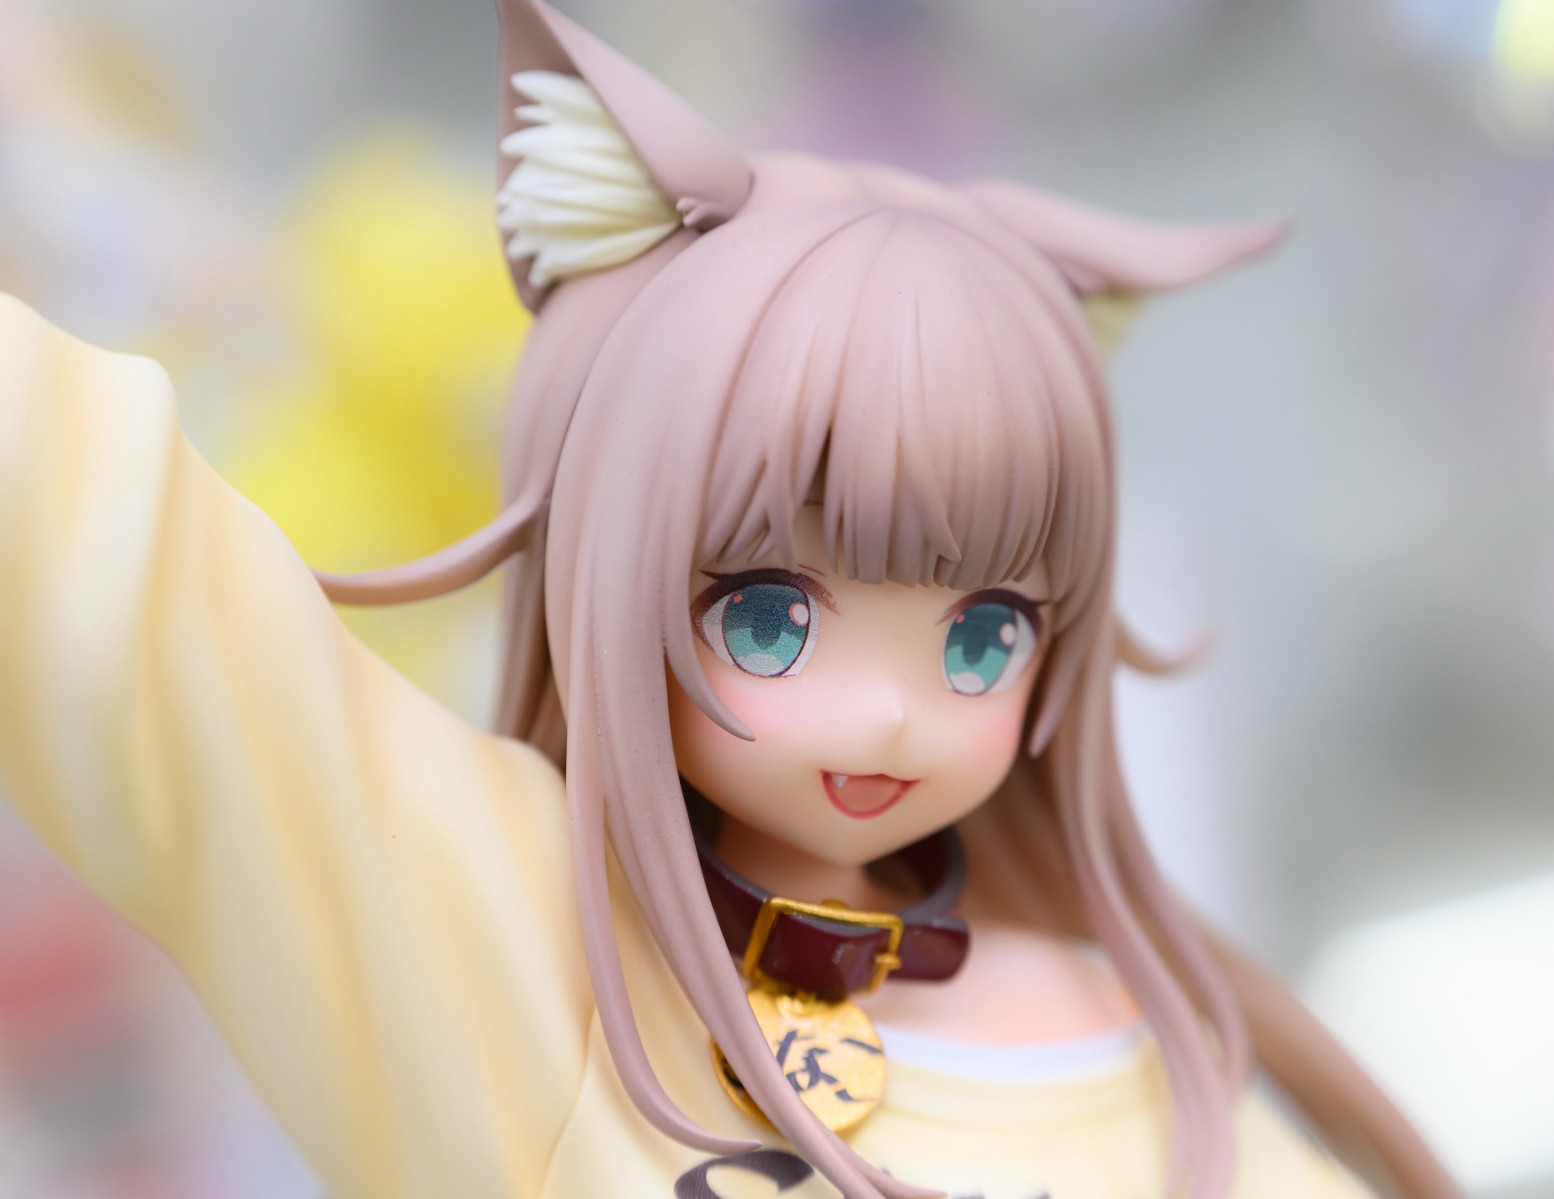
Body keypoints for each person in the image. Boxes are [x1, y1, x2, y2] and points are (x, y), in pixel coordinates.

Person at [0, 1, 1458, 1196]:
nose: (888, 715)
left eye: (980, 639)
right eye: (770, 619)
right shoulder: (511, 937)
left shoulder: (1128, 1036)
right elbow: (121, 565)